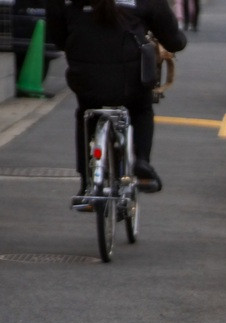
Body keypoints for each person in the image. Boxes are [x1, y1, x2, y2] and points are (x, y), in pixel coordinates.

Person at [47, 0, 187, 198]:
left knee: (86, 113)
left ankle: (87, 183)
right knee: (141, 110)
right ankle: (142, 161)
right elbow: (173, 40)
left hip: (86, 80)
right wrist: (178, 39)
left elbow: (58, 38)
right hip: (131, 82)